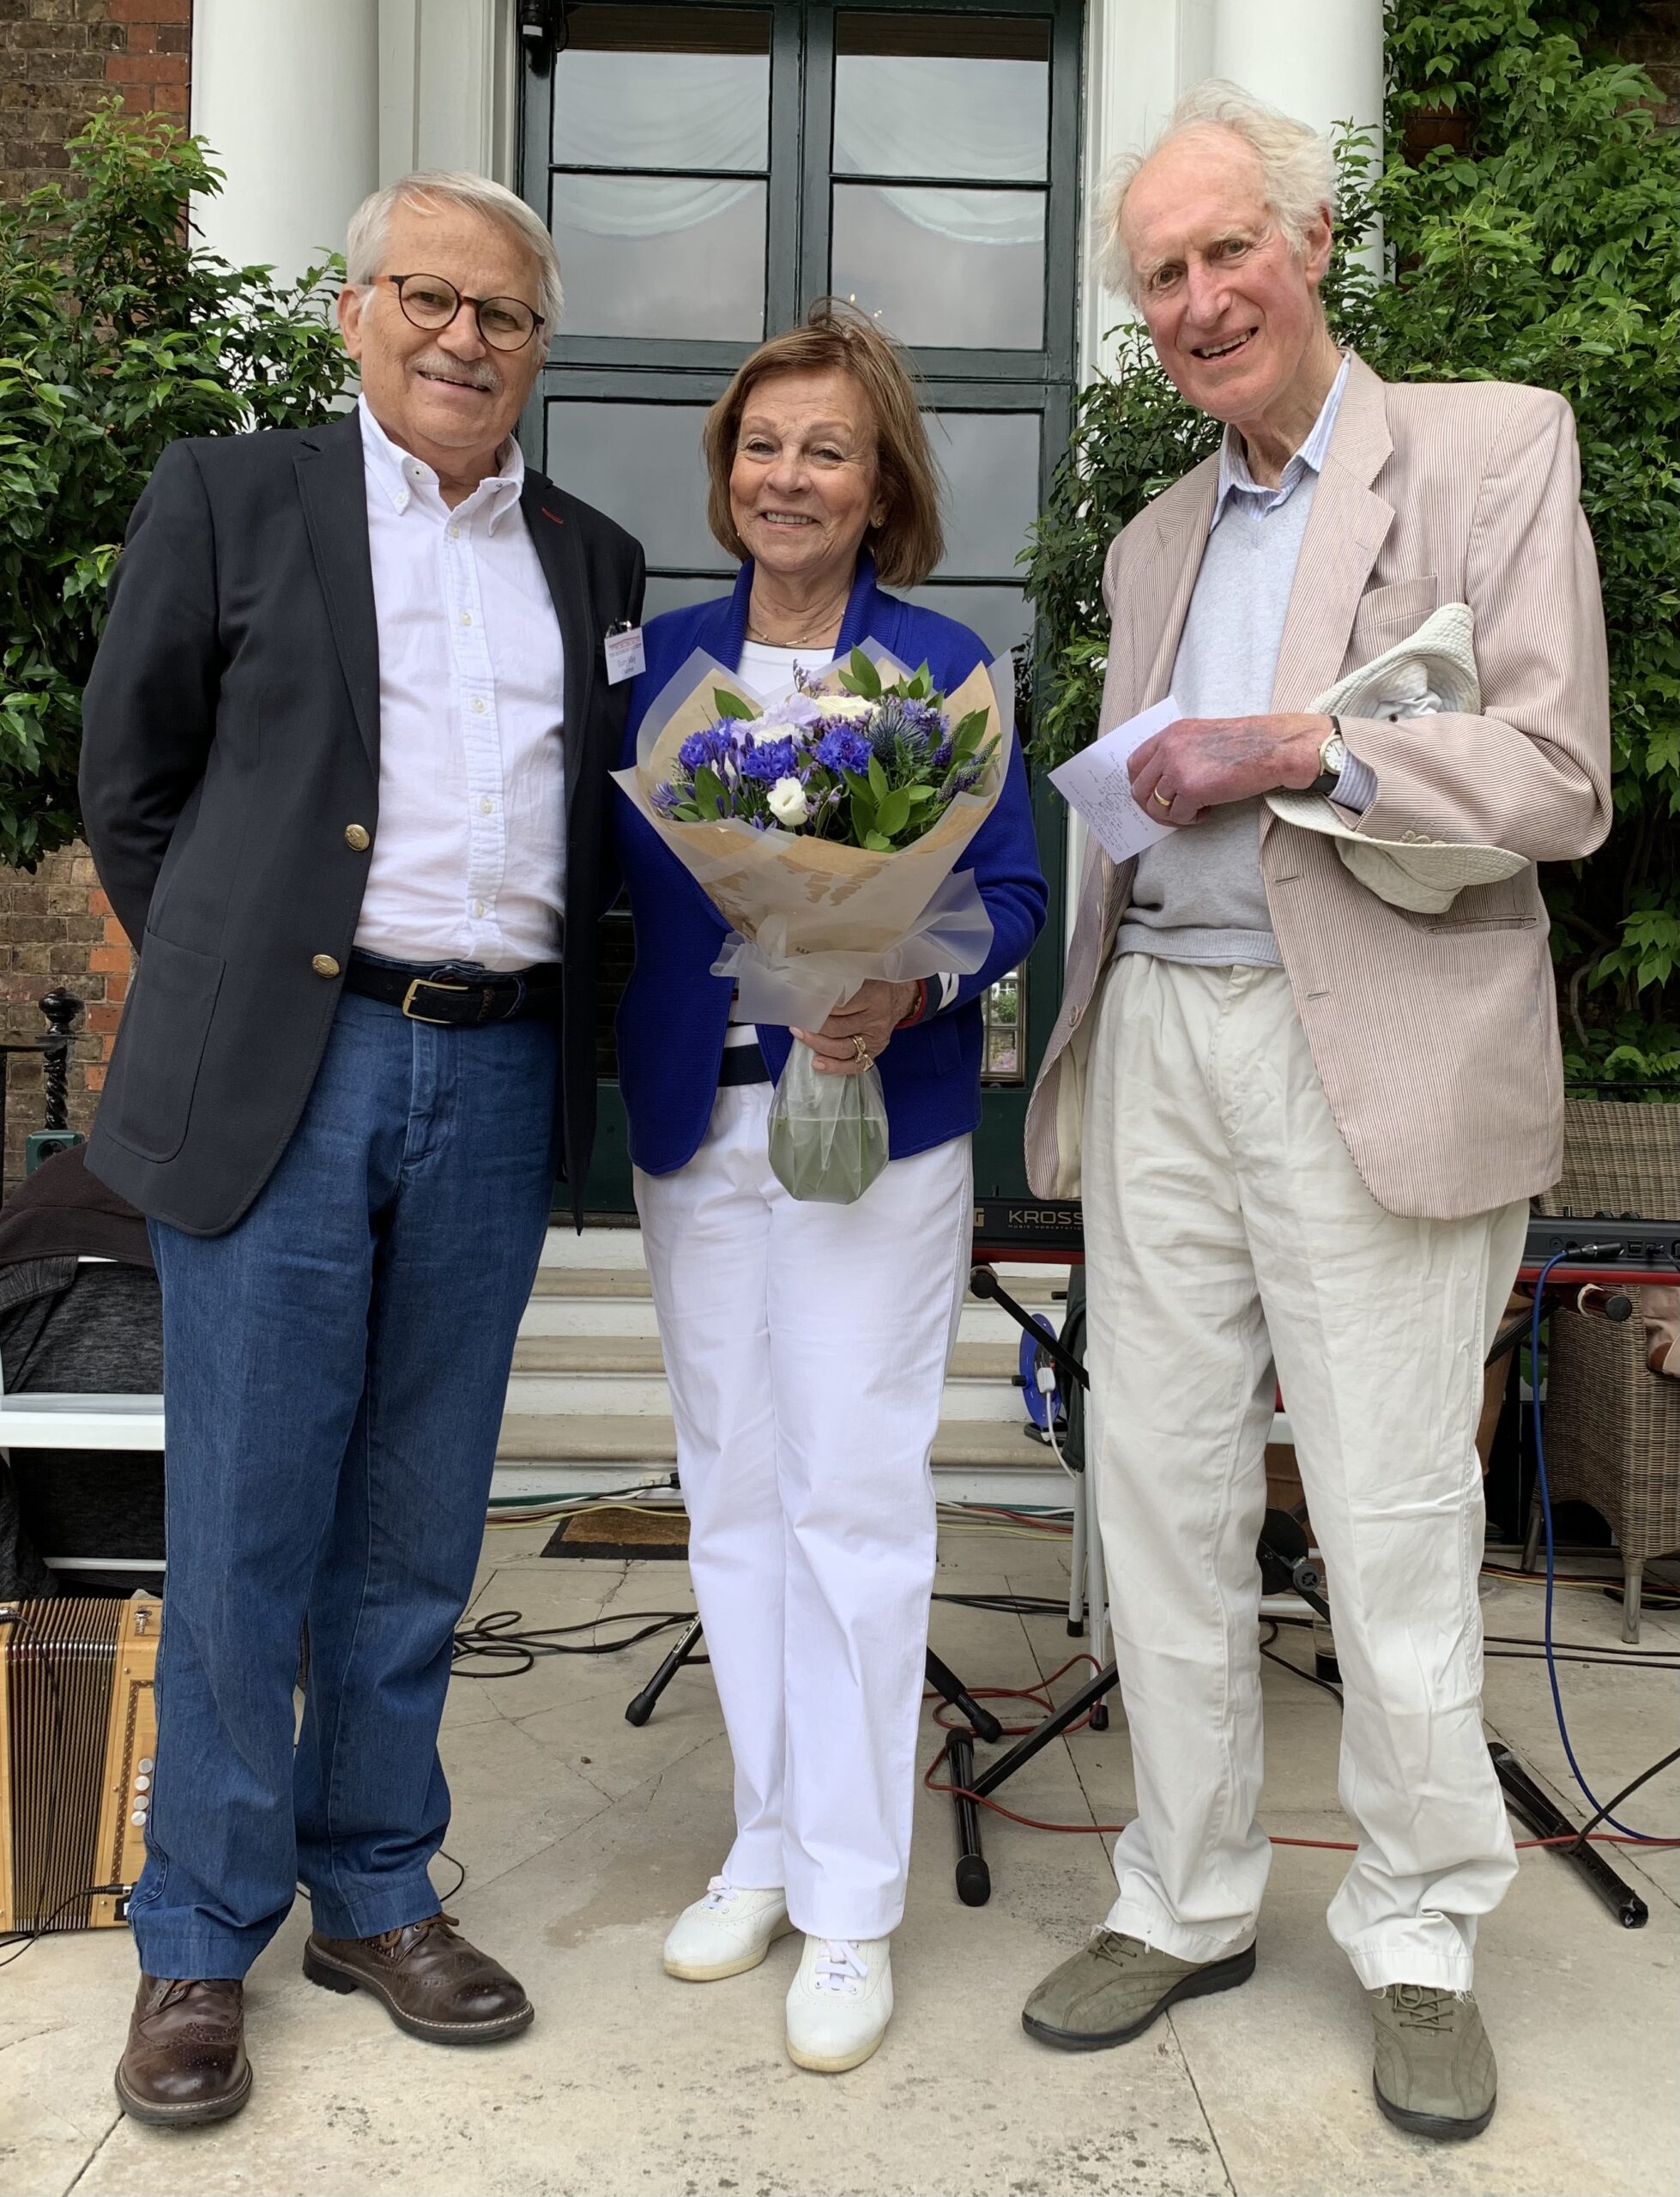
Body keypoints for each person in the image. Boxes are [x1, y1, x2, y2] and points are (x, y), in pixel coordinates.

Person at [1020, 83, 1611, 2142]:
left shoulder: (1489, 442)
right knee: (1157, 1495)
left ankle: (1424, 1921)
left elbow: (1554, 773)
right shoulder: (1152, 534)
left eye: (1221, 254)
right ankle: (1181, 1895)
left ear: (1309, 241)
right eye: (1160, 276)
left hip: (1372, 1027)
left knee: (1385, 1511)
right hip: (1166, 1034)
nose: (1194, 301)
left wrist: (1304, 752)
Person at [78, 171, 644, 2127]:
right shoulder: (231, 498)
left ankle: (377, 1885)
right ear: (356, 311)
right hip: (298, 1069)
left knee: (416, 1520)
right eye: (428, 297)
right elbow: (128, 780)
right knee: (247, 1511)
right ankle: (196, 1933)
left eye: (500, 314)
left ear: (536, 348)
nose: (462, 337)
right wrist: (241, 987)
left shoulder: (594, 556)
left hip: (495, 1079)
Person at [615, 303, 1046, 2075]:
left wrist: (911, 981)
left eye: (827, 450)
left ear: (881, 487)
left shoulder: (943, 662)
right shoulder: (658, 664)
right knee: (728, 1484)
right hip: (696, 1124)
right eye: (762, 446)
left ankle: (855, 1899)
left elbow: (1013, 891)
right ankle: (769, 1839)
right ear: (725, 476)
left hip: (878, 1119)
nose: (788, 476)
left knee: (852, 1491)